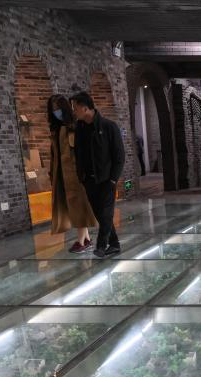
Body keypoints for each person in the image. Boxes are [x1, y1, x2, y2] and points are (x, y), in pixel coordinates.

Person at [71, 91, 125, 258]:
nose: (74, 111)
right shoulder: (80, 129)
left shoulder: (109, 127)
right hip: (89, 180)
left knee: (107, 213)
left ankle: (101, 245)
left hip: (107, 179)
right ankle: (114, 244)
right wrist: (81, 176)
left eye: (75, 108)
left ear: (85, 108)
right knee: (100, 214)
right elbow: (78, 154)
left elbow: (119, 156)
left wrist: (113, 179)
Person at [46, 95, 97, 253]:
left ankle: (81, 241)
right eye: (53, 109)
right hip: (61, 175)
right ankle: (86, 239)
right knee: (71, 207)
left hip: (76, 175)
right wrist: (52, 174)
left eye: (58, 108)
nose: (56, 112)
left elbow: (83, 152)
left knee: (79, 206)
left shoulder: (75, 126)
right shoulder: (56, 130)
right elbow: (54, 155)